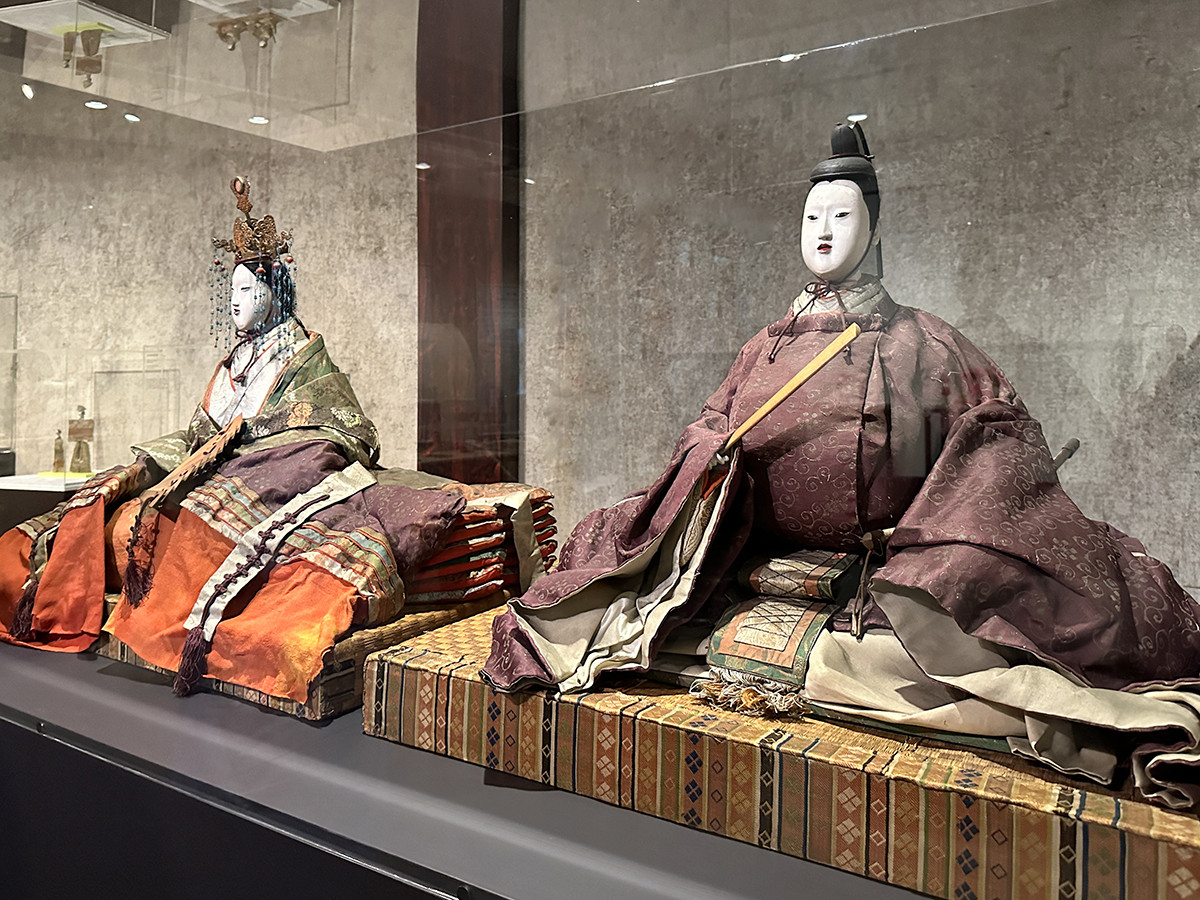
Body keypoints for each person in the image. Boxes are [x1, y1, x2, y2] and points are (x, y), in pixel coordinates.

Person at [483, 124, 1200, 808]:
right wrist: (713, 455)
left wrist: (955, 485)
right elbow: (708, 425)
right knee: (601, 557)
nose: (823, 231)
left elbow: (987, 441)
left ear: (875, 230)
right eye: (811, 216)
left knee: (988, 647)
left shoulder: (925, 346)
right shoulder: (764, 347)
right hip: (752, 558)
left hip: (881, 574)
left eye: (842, 215)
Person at [0, 177, 466, 705]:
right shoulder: (234, 361)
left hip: (274, 468)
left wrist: (253, 443)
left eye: (247, 291)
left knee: (193, 522)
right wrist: (164, 461)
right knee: (106, 498)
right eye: (232, 291)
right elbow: (203, 433)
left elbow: (343, 427)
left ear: (272, 293)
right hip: (222, 464)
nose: (236, 302)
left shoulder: (303, 355)